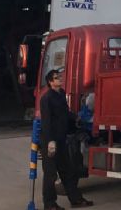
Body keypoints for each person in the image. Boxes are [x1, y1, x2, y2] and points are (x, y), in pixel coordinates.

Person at [40, 69, 94, 210]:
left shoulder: (61, 94)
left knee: (68, 171)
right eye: (56, 78)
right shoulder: (46, 99)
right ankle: (50, 204)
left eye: (60, 77)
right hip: (50, 142)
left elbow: (65, 112)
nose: (60, 79)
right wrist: (50, 141)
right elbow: (46, 122)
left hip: (61, 140)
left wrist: (76, 117)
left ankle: (76, 200)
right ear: (50, 82)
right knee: (51, 174)